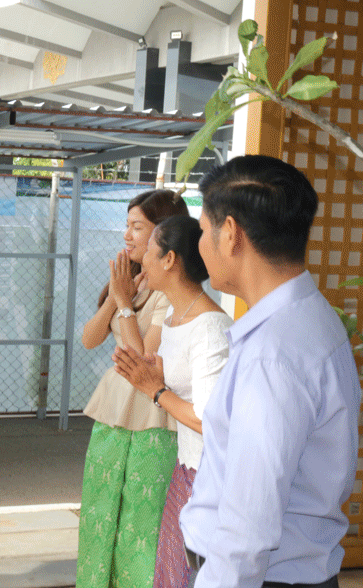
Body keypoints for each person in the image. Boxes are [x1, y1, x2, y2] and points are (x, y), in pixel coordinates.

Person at [179, 155, 360, 588]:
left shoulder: (272, 353)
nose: (200, 245)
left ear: (231, 234)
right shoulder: (309, 317)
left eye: (204, 230)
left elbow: (248, 527)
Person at [111, 214, 232, 588]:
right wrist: (122, 302)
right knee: (170, 572)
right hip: (187, 467)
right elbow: (162, 374)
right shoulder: (180, 317)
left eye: (149, 250)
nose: (141, 257)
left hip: (209, 476)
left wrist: (156, 390)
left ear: (169, 260)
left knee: (188, 575)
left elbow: (208, 420)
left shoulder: (211, 327)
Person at [75, 189, 189, 588]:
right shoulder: (132, 281)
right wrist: (117, 297)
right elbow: (90, 338)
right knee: (99, 515)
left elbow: (143, 360)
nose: (128, 235)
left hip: (154, 419)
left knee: (142, 527)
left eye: (137, 226)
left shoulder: (172, 293)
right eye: (127, 225)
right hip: (112, 414)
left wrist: (124, 304)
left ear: (165, 234)